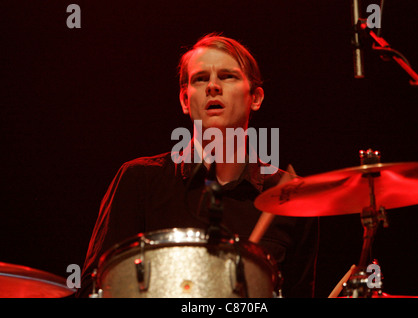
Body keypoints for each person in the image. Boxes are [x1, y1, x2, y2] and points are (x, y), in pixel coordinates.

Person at [77, 33, 319, 298]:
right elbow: (95, 287)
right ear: (184, 100)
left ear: (256, 98)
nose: (213, 86)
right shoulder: (139, 181)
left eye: (228, 76)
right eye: (201, 79)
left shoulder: (291, 197)